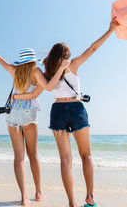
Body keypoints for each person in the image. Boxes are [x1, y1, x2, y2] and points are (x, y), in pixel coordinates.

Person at [12, 18, 119, 207]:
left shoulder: (47, 69)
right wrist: (110, 30)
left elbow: (41, 88)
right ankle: (90, 198)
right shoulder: (73, 65)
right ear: (66, 55)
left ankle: (71, 202)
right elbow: (93, 48)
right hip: (76, 108)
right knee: (86, 156)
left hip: (58, 110)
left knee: (65, 160)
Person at [0, 43, 66, 206]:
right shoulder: (35, 71)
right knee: (33, 155)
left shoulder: (14, 71)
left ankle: (23, 197)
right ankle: (38, 193)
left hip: (12, 115)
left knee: (18, 158)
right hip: (28, 114)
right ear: (32, 61)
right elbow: (42, 90)